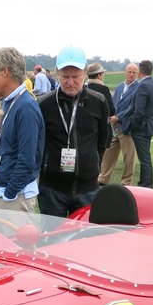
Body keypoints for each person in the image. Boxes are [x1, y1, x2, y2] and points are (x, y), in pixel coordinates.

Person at [37, 46, 110, 218]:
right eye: (65, 76)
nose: (70, 82)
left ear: (85, 73)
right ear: (56, 73)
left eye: (75, 76)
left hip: (88, 189)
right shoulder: (44, 104)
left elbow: (103, 139)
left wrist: (94, 164)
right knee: (53, 242)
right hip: (52, 190)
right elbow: (38, 144)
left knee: (83, 242)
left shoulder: (98, 102)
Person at [0, 47, 45, 215]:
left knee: (10, 242)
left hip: (12, 197)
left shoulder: (26, 107)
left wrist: (9, 194)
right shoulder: (5, 102)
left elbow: (27, 159)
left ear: (5, 72)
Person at [117, 59, 153, 189]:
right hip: (150, 125)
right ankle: (145, 182)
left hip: (141, 127)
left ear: (140, 71)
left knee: (144, 158)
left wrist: (134, 126)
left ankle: (146, 184)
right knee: (145, 156)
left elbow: (138, 110)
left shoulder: (142, 86)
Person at [98, 63, 138, 186]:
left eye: (134, 73)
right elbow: (115, 104)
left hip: (128, 127)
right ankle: (103, 178)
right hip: (115, 126)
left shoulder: (138, 88)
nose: (131, 74)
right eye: (129, 72)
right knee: (108, 152)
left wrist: (118, 117)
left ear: (136, 74)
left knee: (128, 156)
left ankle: (126, 181)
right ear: (125, 72)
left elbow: (133, 108)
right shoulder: (120, 87)